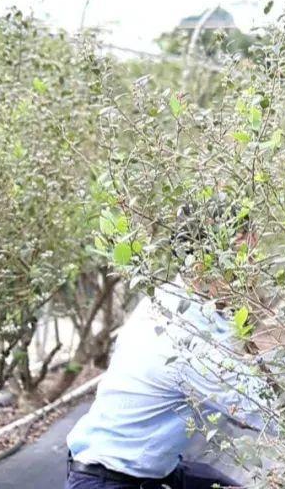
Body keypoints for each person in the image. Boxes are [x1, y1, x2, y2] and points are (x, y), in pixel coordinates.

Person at [64, 203, 271, 489]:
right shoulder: (182, 336)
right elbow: (268, 412)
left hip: (148, 470)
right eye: (241, 258)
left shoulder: (172, 300)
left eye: (253, 256)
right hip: (110, 480)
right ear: (200, 264)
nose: (252, 270)